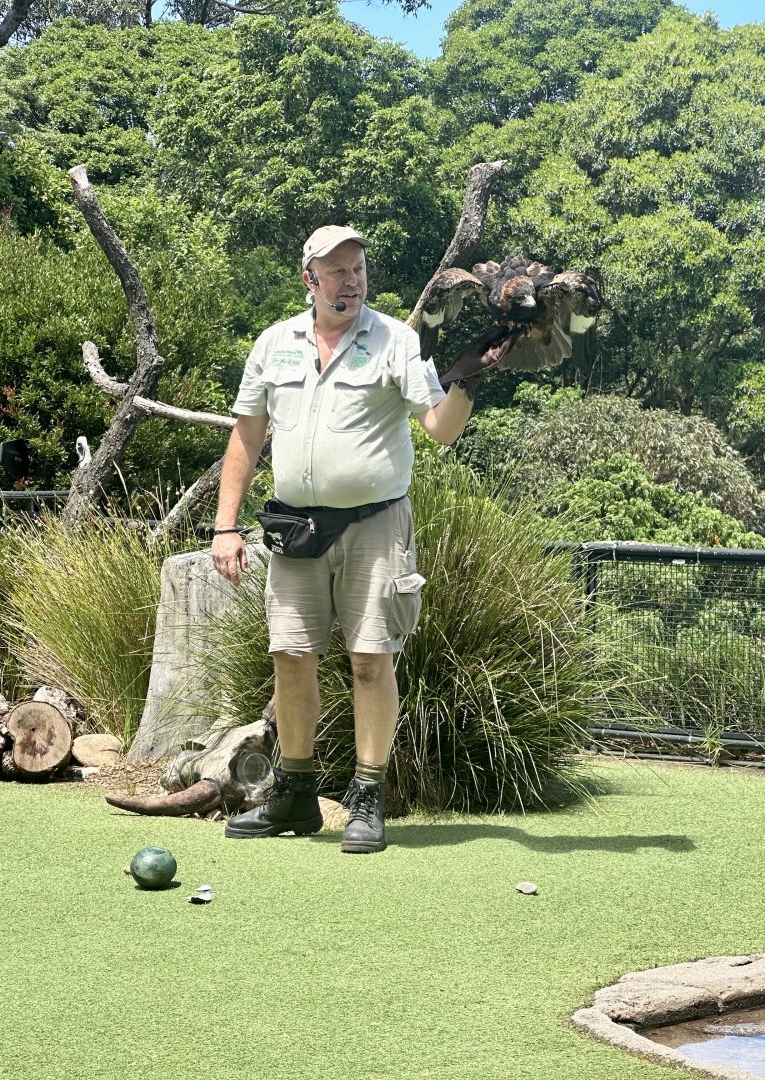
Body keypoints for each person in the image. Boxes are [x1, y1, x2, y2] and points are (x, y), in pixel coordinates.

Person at [210, 225, 476, 854]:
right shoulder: (274, 344)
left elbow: (440, 430)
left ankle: (366, 797)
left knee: (369, 658)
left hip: (375, 526)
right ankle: (295, 796)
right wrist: (225, 526)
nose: (351, 281)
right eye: (336, 271)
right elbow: (246, 438)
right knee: (291, 657)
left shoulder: (397, 340)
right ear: (310, 280)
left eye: (357, 269)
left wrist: (470, 378)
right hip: (294, 527)